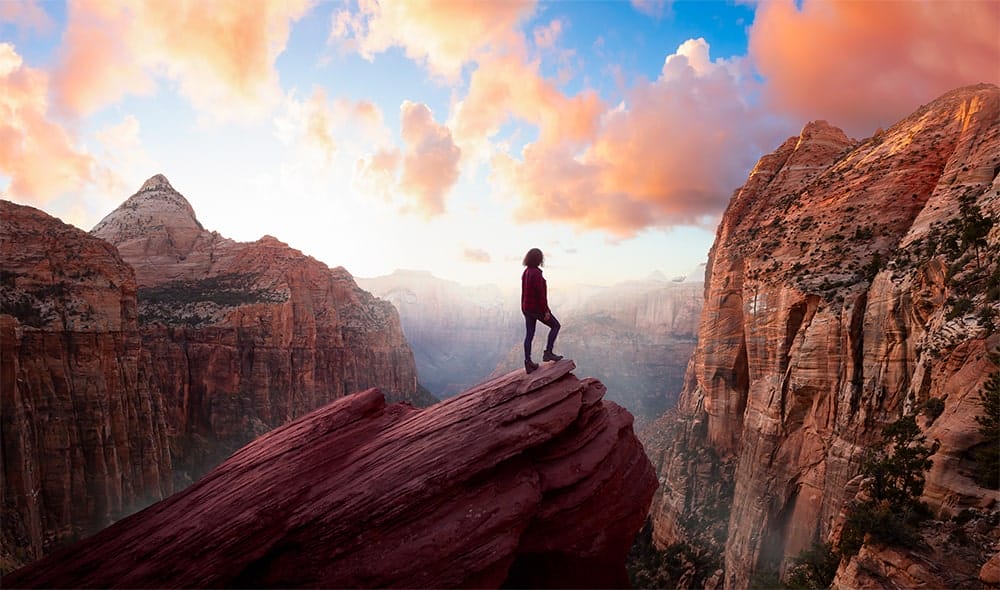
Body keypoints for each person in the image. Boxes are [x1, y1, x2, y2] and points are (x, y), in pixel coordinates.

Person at [521, 247, 562, 374]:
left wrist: (524, 308)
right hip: (536, 308)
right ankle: (548, 352)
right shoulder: (537, 273)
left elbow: (524, 292)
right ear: (539, 259)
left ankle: (528, 362)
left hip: (526, 308)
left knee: (529, 335)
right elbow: (541, 295)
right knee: (556, 325)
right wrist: (546, 311)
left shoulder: (526, 272)